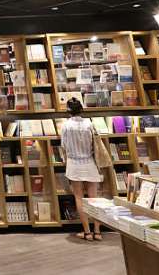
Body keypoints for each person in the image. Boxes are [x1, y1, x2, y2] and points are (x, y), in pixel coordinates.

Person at [59, 97, 103, 241]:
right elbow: (95, 143)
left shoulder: (66, 126)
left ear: (68, 110)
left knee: (79, 197)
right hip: (89, 162)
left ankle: (87, 232)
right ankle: (97, 231)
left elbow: (64, 146)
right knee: (94, 198)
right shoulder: (89, 124)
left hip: (74, 164)